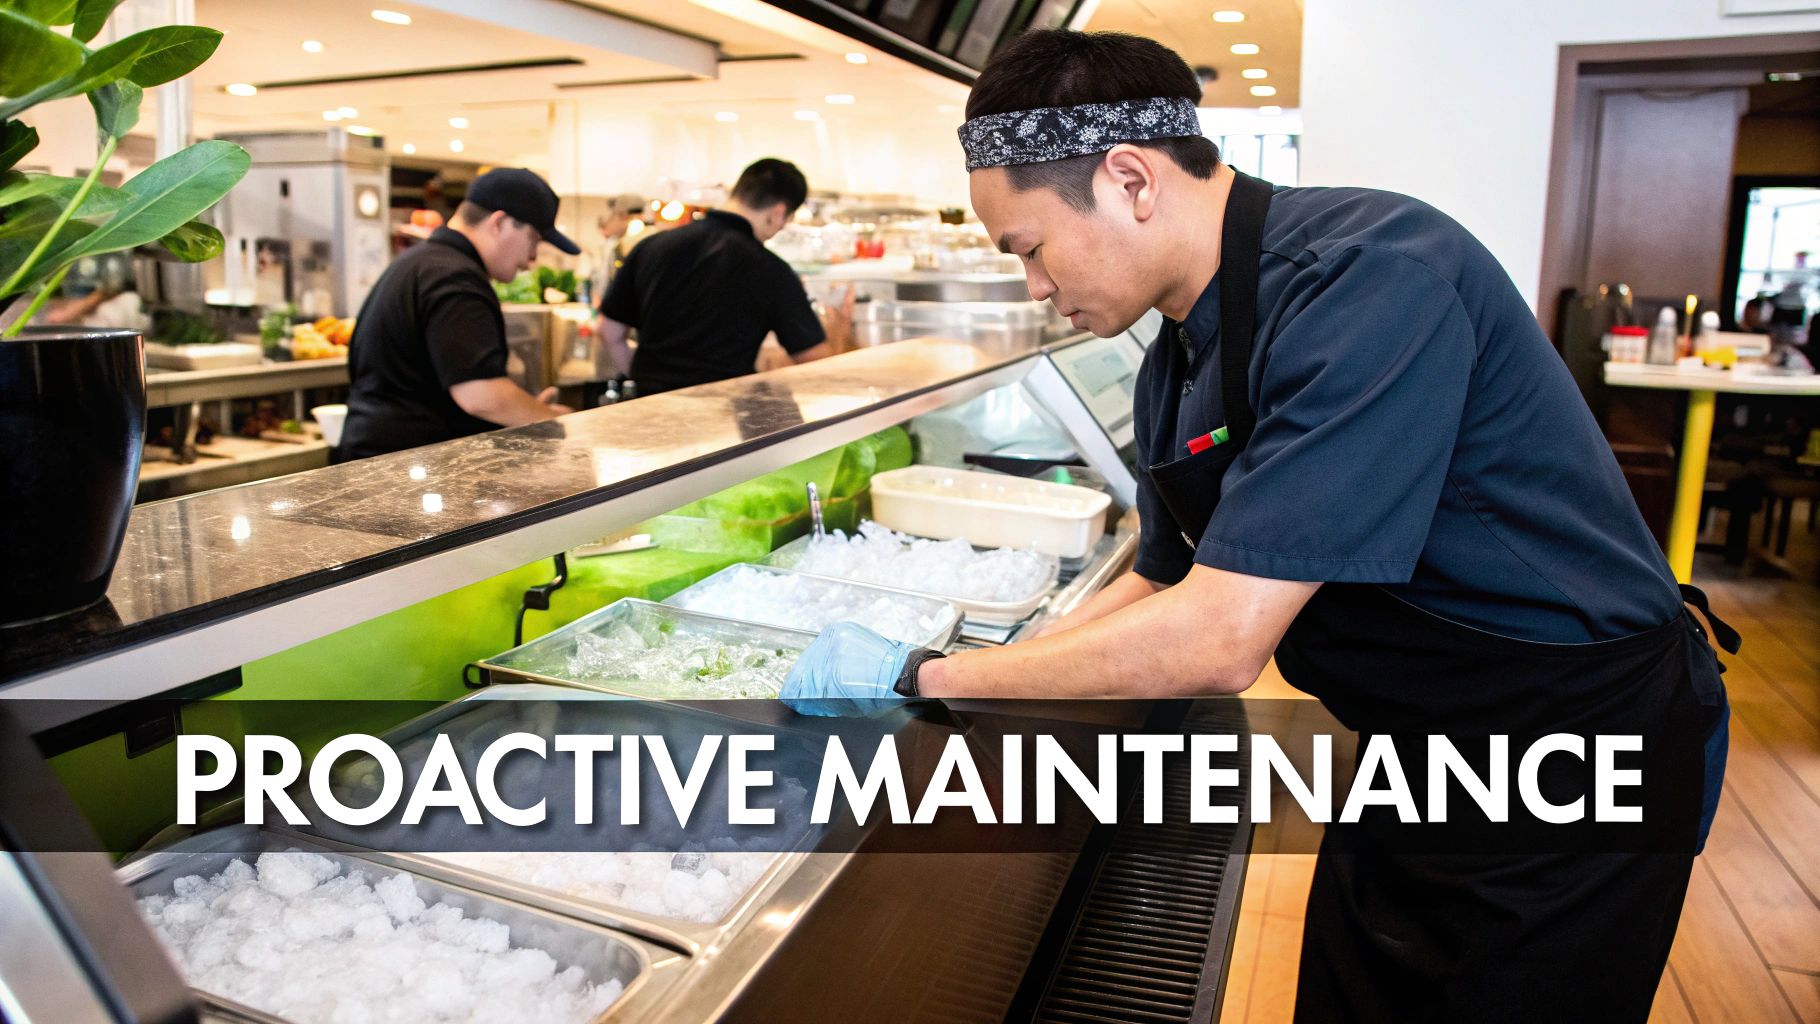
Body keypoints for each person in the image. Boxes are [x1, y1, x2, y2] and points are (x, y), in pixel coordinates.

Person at [781, 29, 1735, 1023]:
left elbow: (1220, 637)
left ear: (1129, 180)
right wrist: (988, 686)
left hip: (1572, 747)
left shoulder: (1370, 280)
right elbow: (1158, 579)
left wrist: (920, 675)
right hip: (1416, 746)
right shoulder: (1176, 353)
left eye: (1028, 250)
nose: (1034, 288)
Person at [338, 167, 576, 460]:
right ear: (499, 222)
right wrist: (556, 425)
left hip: (384, 461)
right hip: (399, 470)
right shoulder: (455, 277)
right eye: (534, 239)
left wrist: (523, 410)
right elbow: (480, 395)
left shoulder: (425, 262)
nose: (532, 259)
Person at [593, 158, 850, 395]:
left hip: (650, 412)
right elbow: (813, 361)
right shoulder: (771, 270)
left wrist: (645, 383)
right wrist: (840, 329)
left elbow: (608, 332)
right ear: (778, 213)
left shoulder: (651, 247)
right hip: (723, 417)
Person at [587, 192, 647, 304]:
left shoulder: (631, 242)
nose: (609, 223)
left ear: (623, 216)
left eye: (612, 217)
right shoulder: (618, 244)